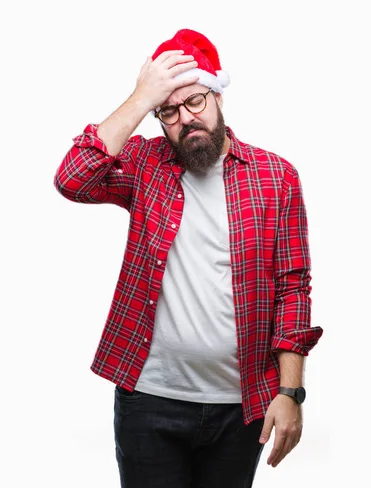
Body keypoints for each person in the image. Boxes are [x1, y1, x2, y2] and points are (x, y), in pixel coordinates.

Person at [54, 28, 323, 488]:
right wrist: (141, 97)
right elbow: (73, 178)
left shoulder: (275, 177)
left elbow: (292, 287)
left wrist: (290, 391)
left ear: (218, 95)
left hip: (240, 405)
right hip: (149, 400)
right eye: (170, 110)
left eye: (195, 101)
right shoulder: (145, 165)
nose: (185, 118)